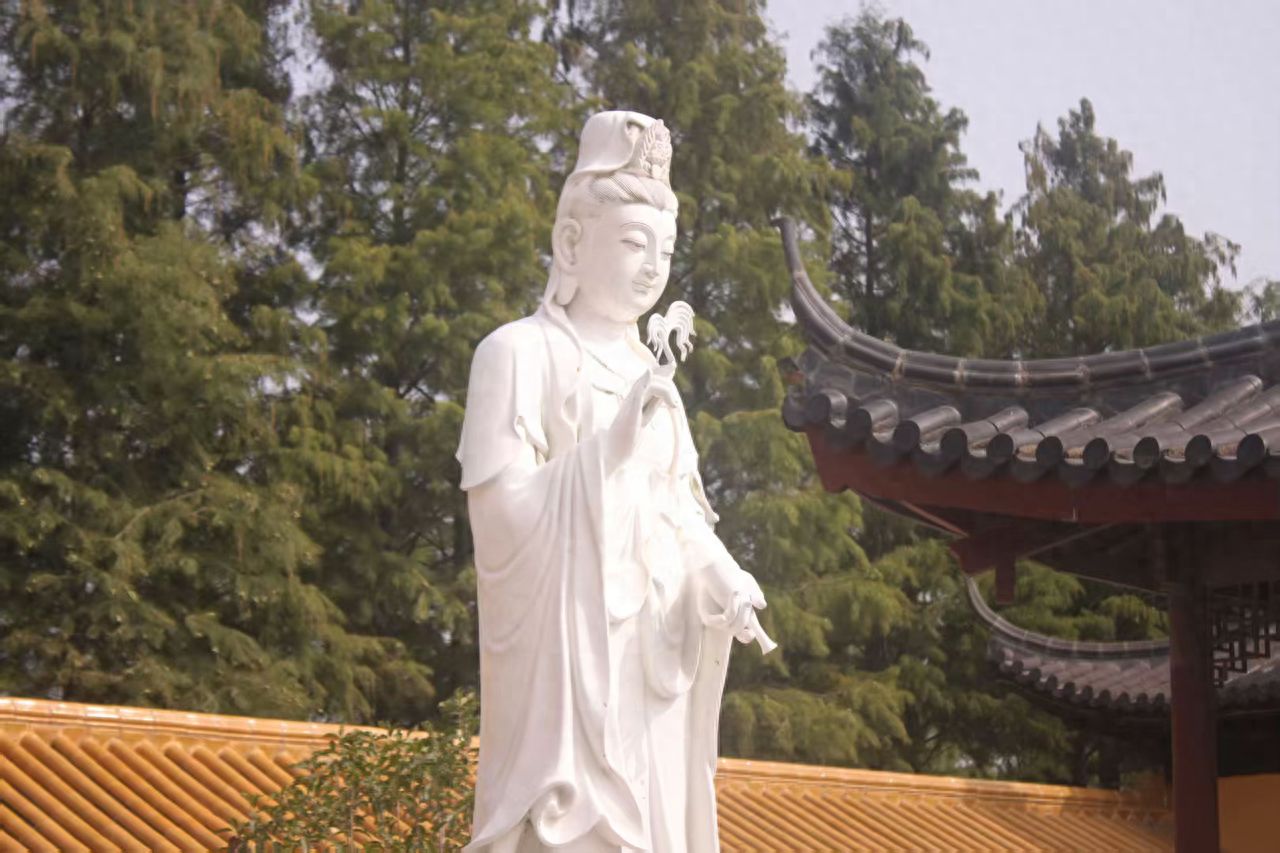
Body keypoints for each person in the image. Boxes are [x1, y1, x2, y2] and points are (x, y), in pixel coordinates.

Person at [457, 111, 770, 853]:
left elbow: (680, 518)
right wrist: (607, 452)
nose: (651, 266)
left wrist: (725, 579)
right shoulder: (515, 354)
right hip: (569, 680)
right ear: (572, 241)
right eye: (632, 242)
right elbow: (500, 521)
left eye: (663, 248)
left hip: (652, 656)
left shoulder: (650, 375)